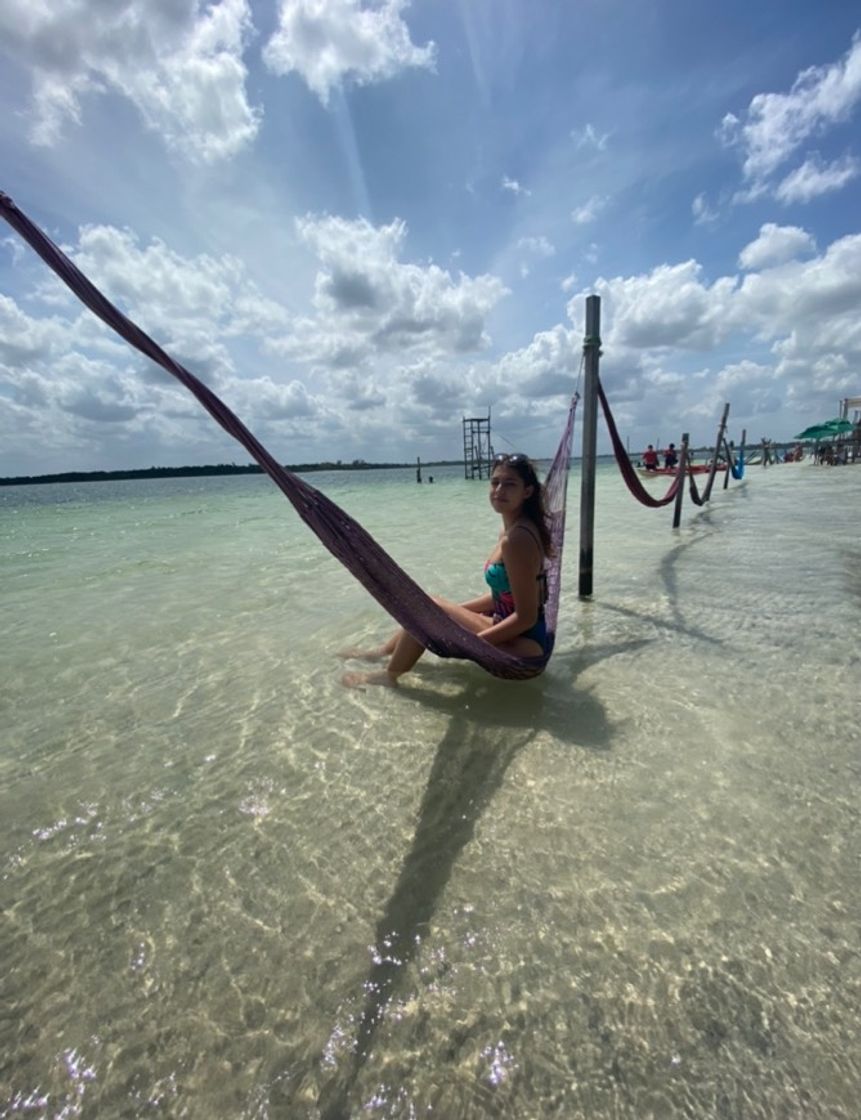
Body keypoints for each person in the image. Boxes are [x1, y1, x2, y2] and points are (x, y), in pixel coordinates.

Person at [341, 452, 552, 687]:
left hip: (524, 646)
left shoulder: (517, 539)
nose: (499, 490)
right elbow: (503, 595)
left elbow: (526, 617)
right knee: (429, 607)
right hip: (509, 629)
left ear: (528, 491)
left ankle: (389, 676)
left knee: (427, 609)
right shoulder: (511, 531)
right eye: (495, 482)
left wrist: (470, 644)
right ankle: (382, 652)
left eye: (510, 484)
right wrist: (452, 612)